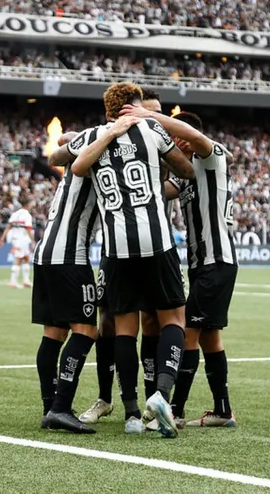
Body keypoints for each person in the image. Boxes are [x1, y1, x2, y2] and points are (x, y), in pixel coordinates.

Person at [71, 82, 195, 438]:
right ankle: (163, 394)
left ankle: (130, 413)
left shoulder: (93, 135)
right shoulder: (152, 128)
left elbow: (71, 162)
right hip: (156, 240)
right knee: (174, 317)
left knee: (124, 326)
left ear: (108, 110)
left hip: (115, 247)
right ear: (136, 106)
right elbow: (185, 169)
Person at [124, 106, 239, 428]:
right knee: (209, 338)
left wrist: (148, 118)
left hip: (216, 259)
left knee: (188, 331)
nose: (178, 143)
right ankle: (222, 411)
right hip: (205, 263)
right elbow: (157, 194)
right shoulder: (187, 173)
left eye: (178, 137)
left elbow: (195, 136)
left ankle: (173, 410)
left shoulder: (211, 155)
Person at [79, 88, 166, 427]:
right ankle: (107, 398)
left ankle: (152, 402)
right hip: (118, 245)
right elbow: (64, 156)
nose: (146, 115)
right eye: (145, 109)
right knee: (110, 321)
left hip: (157, 245)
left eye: (154, 112)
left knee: (154, 322)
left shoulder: (160, 136)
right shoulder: (109, 138)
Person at [32, 133, 103, 434]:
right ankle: (61, 408)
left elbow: (64, 139)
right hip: (70, 256)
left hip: (45, 252)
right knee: (86, 331)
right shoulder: (95, 161)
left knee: (54, 333)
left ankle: (51, 406)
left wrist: (82, 136)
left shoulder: (76, 160)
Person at [0, 199, 35, 288]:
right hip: (23, 239)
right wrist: (33, 241)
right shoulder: (27, 215)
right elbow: (28, 229)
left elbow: (8, 227)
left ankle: (26, 280)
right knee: (18, 259)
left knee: (26, 258)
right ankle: (13, 282)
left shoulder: (15, 214)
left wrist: (1, 240)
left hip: (16, 239)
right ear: (27, 205)